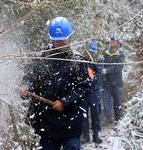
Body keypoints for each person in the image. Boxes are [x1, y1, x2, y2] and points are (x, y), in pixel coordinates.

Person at [20, 17, 96, 150]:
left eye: (62, 40)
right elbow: (30, 76)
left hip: (71, 122)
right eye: (56, 41)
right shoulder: (42, 59)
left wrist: (65, 102)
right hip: (46, 122)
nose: (59, 44)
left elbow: (85, 88)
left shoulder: (79, 62)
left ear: (69, 38)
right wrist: (26, 86)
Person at [81, 39, 103, 144]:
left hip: (94, 91)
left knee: (96, 113)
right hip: (84, 91)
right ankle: (85, 135)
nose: (90, 53)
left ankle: (96, 134)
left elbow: (98, 75)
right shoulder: (82, 59)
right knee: (83, 113)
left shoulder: (99, 59)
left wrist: (89, 80)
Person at [102, 35, 125, 123]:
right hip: (106, 83)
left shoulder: (121, 54)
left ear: (118, 43)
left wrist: (107, 70)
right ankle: (108, 119)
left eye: (114, 41)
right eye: (111, 41)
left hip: (117, 82)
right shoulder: (105, 52)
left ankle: (118, 119)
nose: (112, 43)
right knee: (106, 103)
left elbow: (118, 67)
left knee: (117, 102)